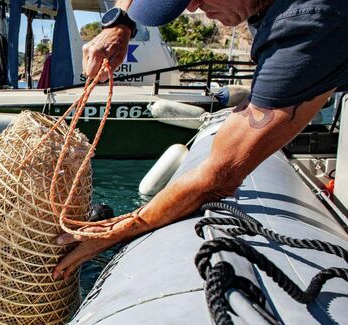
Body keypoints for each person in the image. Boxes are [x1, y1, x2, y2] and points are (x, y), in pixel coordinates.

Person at [53, 0, 348, 280]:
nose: (192, 7)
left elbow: (218, 176)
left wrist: (118, 229)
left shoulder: (307, 24)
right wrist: (120, 24)